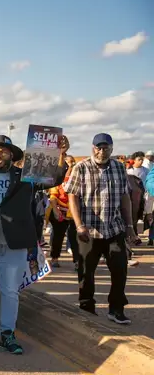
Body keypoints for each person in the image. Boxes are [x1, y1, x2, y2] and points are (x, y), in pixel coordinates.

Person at [0, 134, 69, 354]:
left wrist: (60, 154)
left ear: (12, 154)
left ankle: (7, 333)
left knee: (10, 290)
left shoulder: (26, 176)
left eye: (3, 150)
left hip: (15, 243)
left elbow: (56, 178)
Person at [65, 133, 135, 325]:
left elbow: (124, 197)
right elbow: (73, 197)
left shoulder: (119, 168)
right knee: (86, 273)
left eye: (105, 148)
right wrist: (79, 225)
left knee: (120, 270)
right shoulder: (81, 168)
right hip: (88, 231)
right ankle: (87, 310)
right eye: (98, 147)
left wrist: (129, 226)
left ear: (111, 149)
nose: (101, 151)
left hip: (114, 229)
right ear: (92, 147)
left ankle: (116, 309)